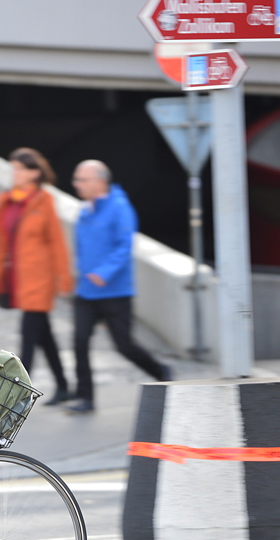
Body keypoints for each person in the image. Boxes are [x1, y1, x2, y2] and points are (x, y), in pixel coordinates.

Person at [68, 160, 171, 414]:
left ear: (100, 182)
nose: (76, 184)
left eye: (82, 180)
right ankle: (85, 397)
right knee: (79, 341)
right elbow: (81, 248)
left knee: (124, 346)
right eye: (77, 179)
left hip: (115, 292)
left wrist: (104, 272)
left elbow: (124, 246)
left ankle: (161, 371)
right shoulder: (85, 210)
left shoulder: (120, 207)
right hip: (86, 291)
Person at [0, 148, 73, 405]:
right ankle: (63, 386)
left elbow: (56, 242)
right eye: (14, 168)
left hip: (39, 279)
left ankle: (19, 395)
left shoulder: (43, 200)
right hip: (17, 279)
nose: (15, 173)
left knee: (29, 335)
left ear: (34, 173)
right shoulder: (7, 200)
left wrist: (63, 278)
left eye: (20, 169)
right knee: (44, 335)